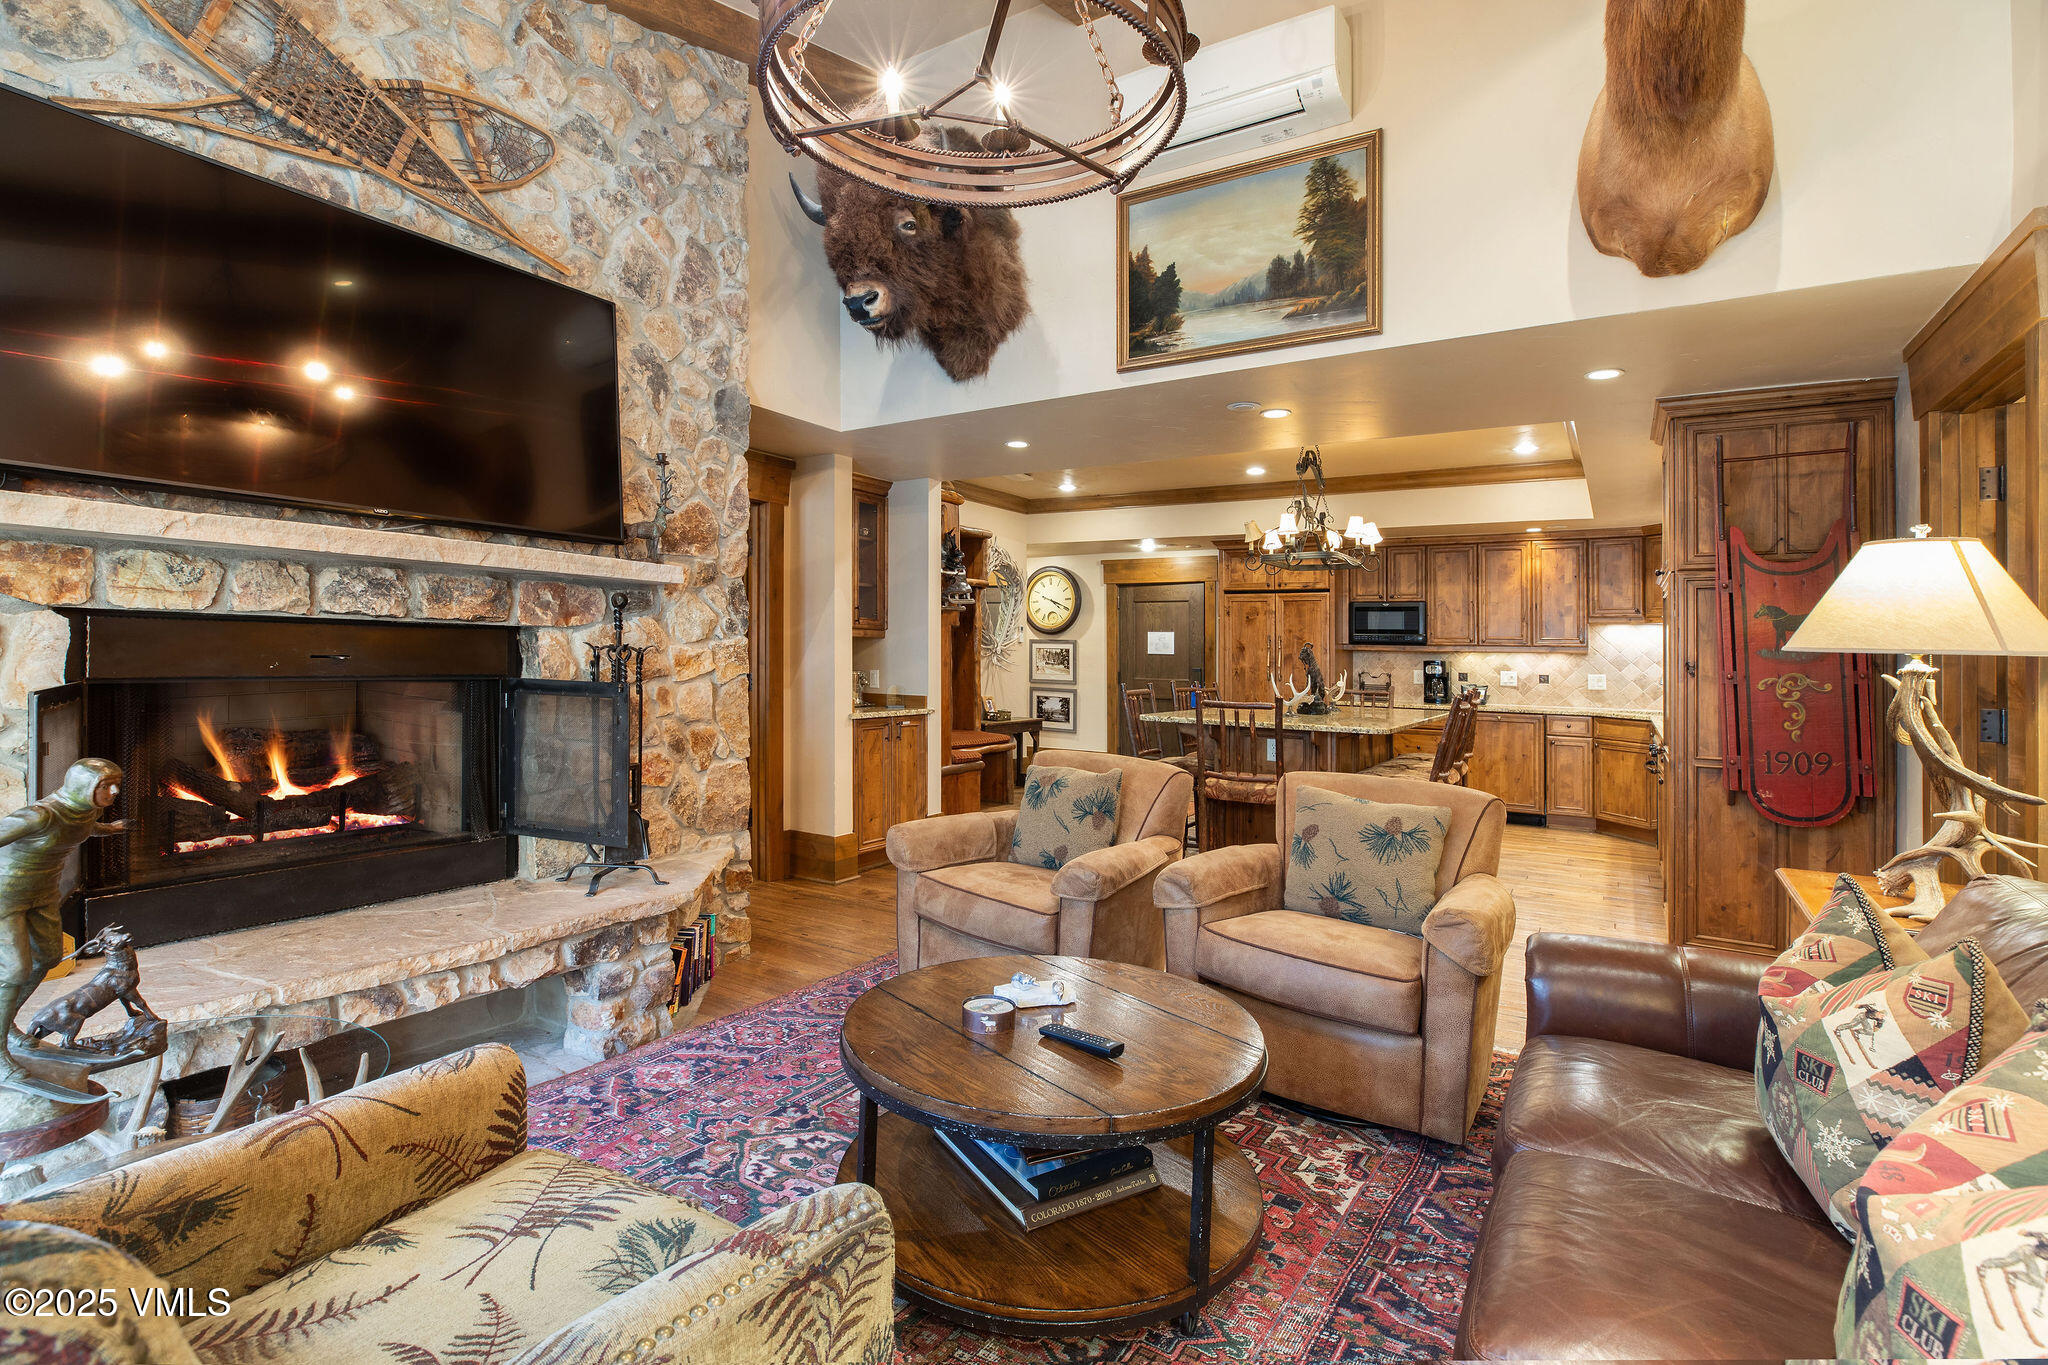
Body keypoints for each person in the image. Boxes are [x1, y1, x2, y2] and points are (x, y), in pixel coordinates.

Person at [0, 759, 127, 1101]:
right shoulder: (40, 815)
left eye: (116, 783)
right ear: (82, 786)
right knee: (15, 971)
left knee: (48, 958)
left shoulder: (83, 811)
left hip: (42, 894)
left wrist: (110, 830)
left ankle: (6, 1029)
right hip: (5, 896)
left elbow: (83, 828)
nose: (114, 791)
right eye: (106, 785)